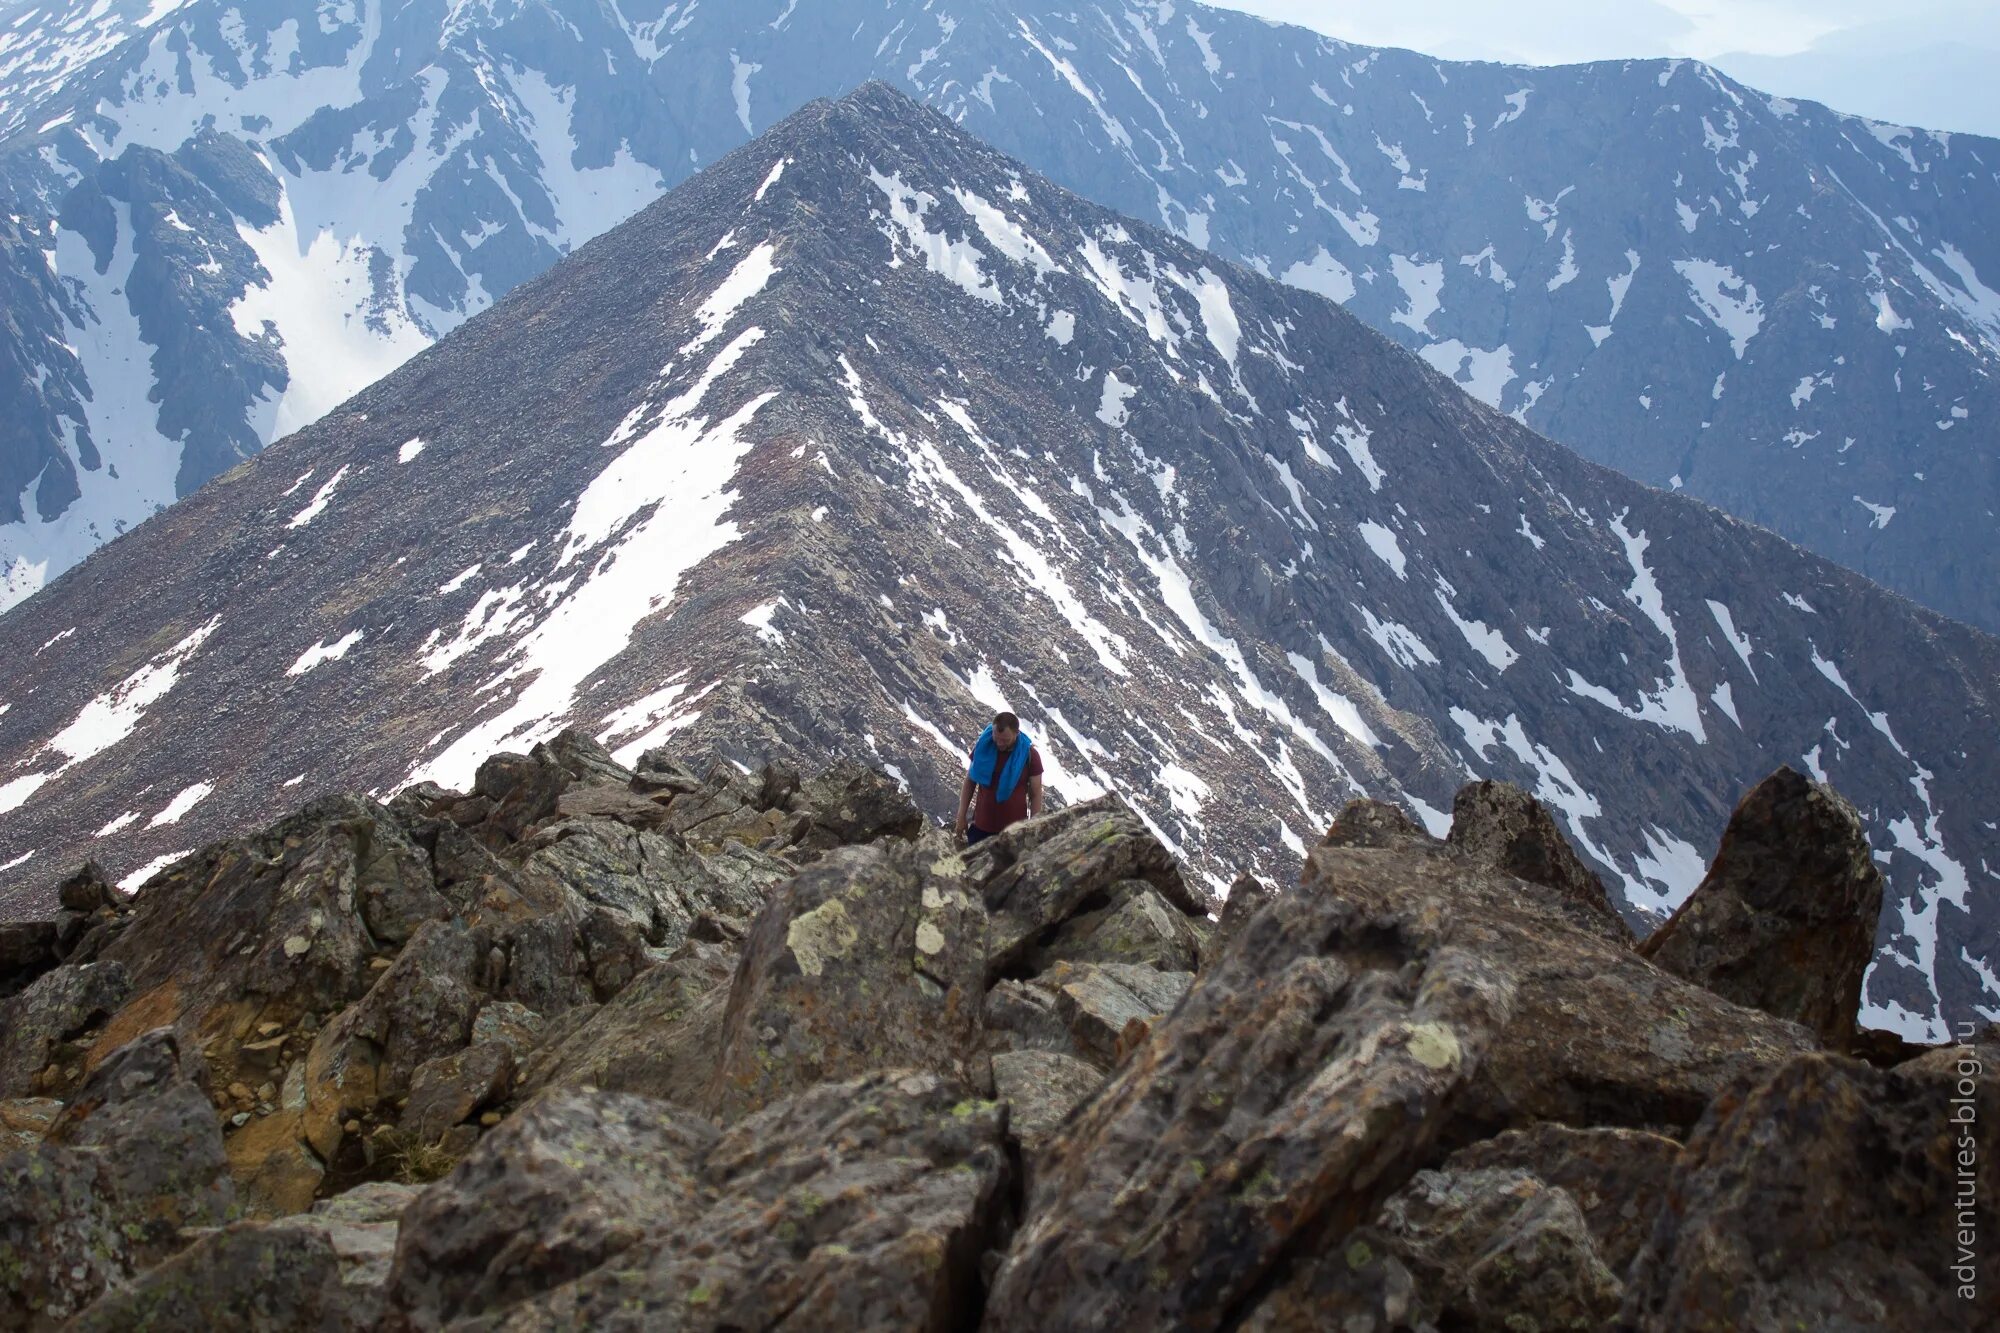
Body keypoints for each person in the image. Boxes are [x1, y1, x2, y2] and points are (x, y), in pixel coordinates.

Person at [954, 710, 1044, 845]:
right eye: (996, 738)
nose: (1000, 743)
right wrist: (961, 817)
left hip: (1015, 832)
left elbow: (1036, 794)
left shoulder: (1029, 755)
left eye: (1005, 740)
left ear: (1016, 733)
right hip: (981, 828)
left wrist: (1034, 826)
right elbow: (970, 781)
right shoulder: (983, 748)